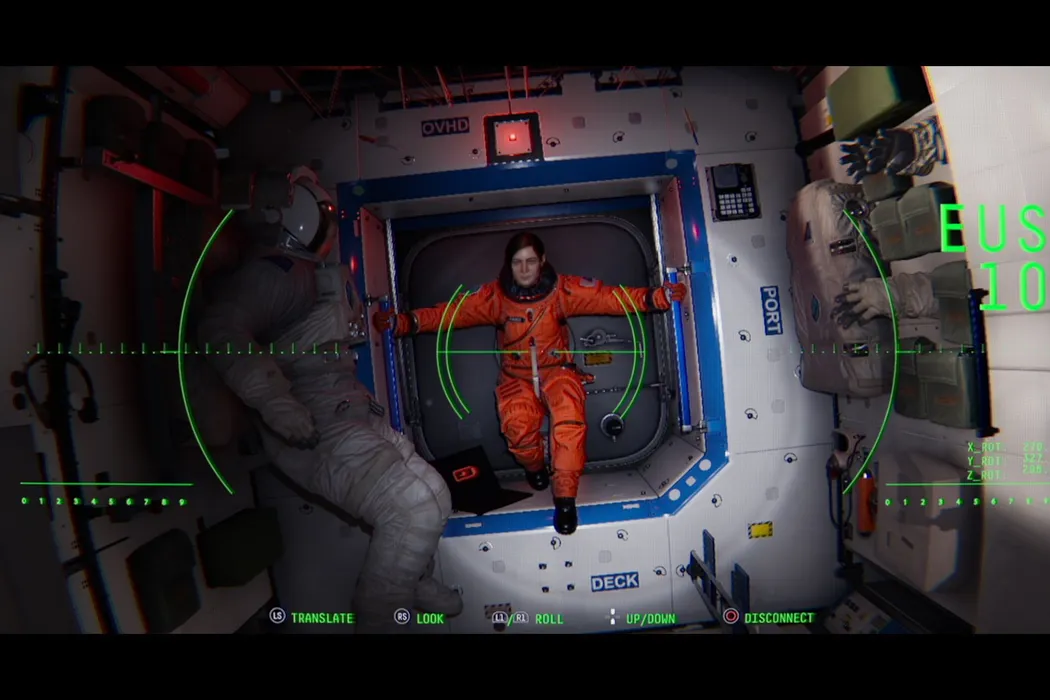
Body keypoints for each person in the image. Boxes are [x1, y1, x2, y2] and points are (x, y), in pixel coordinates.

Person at [197, 167, 461, 633]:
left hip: (347, 410)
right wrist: (275, 402)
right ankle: (378, 617)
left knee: (435, 494)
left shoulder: (301, 272)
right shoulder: (272, 275)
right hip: (313, 426)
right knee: (412, 508)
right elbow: (220, 330)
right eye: (326, 216)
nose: (333, 226)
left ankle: (414, 582)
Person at [373, 231, 686, 535]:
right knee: (518, 428)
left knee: (569, 421)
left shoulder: (564, 291)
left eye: (531, 261)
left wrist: (657, 297)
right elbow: (452, 313)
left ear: (542, 261)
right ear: (509, 264)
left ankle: (565, 499)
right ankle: (534, 467)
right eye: (517, 262)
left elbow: (609, 298)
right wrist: (405, 322)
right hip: (516, 376)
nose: (524, 269)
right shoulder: (495, 297)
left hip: (557, 371)